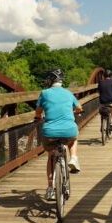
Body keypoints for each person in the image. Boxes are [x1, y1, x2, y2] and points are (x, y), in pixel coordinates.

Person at [34, 68, 83, 201]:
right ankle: (73, 158)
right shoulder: (68, 93)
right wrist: (74, 112)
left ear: (50, 81)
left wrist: (38, 117)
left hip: (50, 132)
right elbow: (79, 108)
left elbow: (38, 112)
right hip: (69, 130)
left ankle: (50, 188)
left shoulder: (44, 93)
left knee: (51, 155)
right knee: (73, 138)